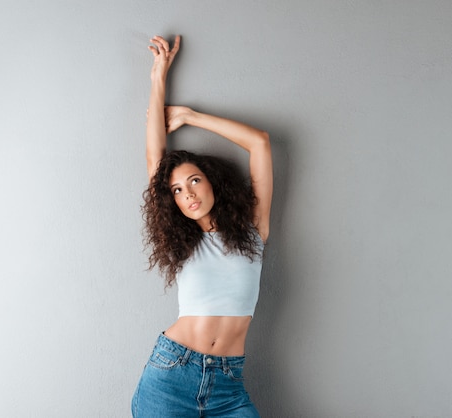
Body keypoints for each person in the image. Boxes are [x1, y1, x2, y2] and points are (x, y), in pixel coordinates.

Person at [131, 34, 272, 418]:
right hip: (171, 376)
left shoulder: (253, 230)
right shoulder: (186, 240)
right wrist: (158, 74)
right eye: (176, 190)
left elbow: (259, 143)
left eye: (194, 180)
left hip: (229, 386)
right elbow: (153, 159)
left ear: (211, 181)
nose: (188, 193)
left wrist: (191, 116)